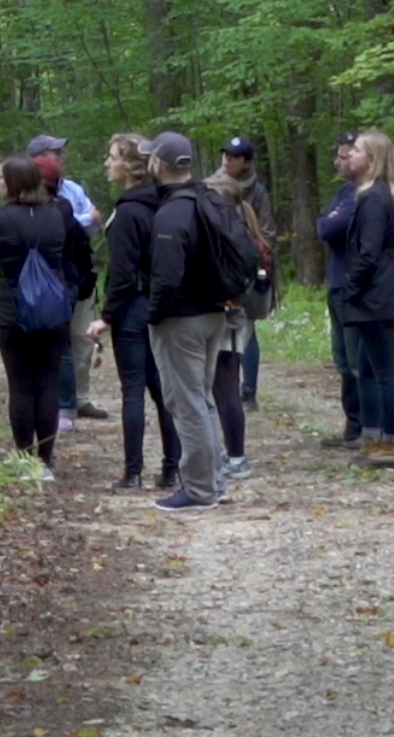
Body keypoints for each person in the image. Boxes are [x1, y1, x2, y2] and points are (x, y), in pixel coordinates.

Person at [141, 131, 258, 510]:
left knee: (187, 402)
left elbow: (167, 273)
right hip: (214, 313)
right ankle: (211, 482)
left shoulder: (173, 212)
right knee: (202, 399)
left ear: (158, 164)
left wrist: (154, 314)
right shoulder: (208, 199)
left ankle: (199, 490)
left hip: (182, 320)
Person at [0, 155, 94, 465]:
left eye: (0, 178)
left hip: (12, 311)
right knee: (47, 382)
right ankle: (46, 458)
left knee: (20, 384)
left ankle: (23, 455)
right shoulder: (57, 217)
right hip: (53, 311)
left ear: (13, 183)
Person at [318, 130, 394, 464]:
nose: (349, 155)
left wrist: (352, 288)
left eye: (356, 150)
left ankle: (391, 444)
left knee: (383, 369)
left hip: (375, 293)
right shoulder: (378, 194)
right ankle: (372, 438)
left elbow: (369, 252)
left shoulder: (375, 197)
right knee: (366, 367)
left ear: (371, 159)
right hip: (380, 288)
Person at [97, 137, 172, 490]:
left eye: (112, 157)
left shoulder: (128, 212)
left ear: (129, 165)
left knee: (133, 389)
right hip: (160, 307)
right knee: (161, 389)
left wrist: (107, 316)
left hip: (133, 309)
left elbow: (123, 274)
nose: (107, 163)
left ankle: (133, 473)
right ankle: (173, 468)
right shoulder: (161, 204)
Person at [206, 135, 277, 480]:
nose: (228, 159)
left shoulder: (255, 196)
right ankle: (230, 453)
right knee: (223, 377)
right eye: (225, 154)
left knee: (225, 377)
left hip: (234, 303)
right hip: (233, 302)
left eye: (235, 156)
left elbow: (267, 234)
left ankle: (233, 454)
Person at [26, 135, 99, 416]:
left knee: (81, 338)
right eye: (55, 154)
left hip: (78, 273)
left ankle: (79, 399)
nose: (62, 158)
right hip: (51, 277)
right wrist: (82, 221)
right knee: (59, 342)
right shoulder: (30, 193)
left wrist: (81, 223)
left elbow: (93, 225)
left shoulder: (73, 189)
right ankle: (60, 403)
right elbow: (70, 225)